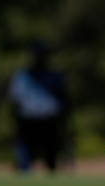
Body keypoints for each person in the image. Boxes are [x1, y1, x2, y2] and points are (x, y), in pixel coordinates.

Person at [7, 41, 68, 173]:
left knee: (51, 162)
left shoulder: (54, 76)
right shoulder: (22, 77)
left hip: (49, 122)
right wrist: (15, 126)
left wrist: (64, 126)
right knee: (24, 162)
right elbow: (14, 103)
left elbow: (63, 101)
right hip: (27, 122)